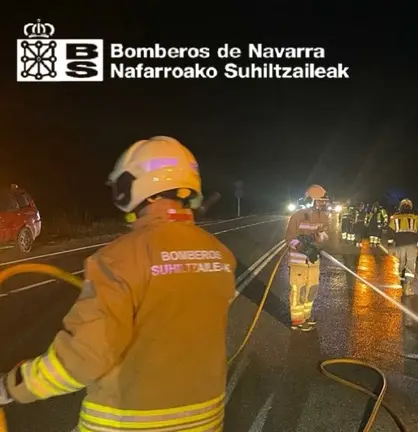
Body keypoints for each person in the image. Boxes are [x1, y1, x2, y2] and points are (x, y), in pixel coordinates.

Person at [0, 136, 236, 430]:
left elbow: (81, 359)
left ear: (139, 189)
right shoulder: (219, 255)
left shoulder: (117, 259)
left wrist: (12, 386)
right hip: (206, 420)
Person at [285, 184, 330, 331]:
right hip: (298, 260)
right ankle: (297, 320)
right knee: (299, 289)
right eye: (319, 201)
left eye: (323, 201)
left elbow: (325, 235)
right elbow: (289, 238)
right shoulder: (297, 216)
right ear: (311, 200)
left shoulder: (323, 216)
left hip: (313, 259)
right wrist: (302, 246)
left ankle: (307, 315)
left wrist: (315, 240)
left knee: (312, 288)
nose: (322, 204)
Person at [388, 198, 418, 295]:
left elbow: (390, 232)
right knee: (410, 264)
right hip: (412, 244)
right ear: (410, 206)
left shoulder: (395, 217)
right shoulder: (416, 216)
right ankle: (407, 287)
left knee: (401, 263)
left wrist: (390, 244)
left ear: (401, 206)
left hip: (400, 244)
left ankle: (400, 283)